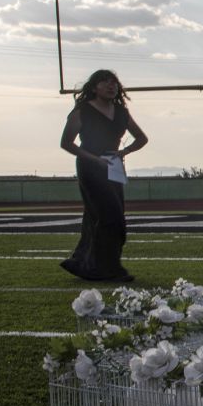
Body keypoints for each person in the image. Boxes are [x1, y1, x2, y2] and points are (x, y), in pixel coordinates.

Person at [58, 69, 147, 283]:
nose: (111, 86)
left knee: (102, 218)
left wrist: (123, 152)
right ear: (94, 86)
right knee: (110, 217)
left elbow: (142, 138)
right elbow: (66, 143)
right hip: (91, 167)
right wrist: (93, 159)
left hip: (113, 167)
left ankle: (85, 263)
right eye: (105, 82)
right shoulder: (83, 111)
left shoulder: (121, 112)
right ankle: (108, 268)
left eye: (114, 82)